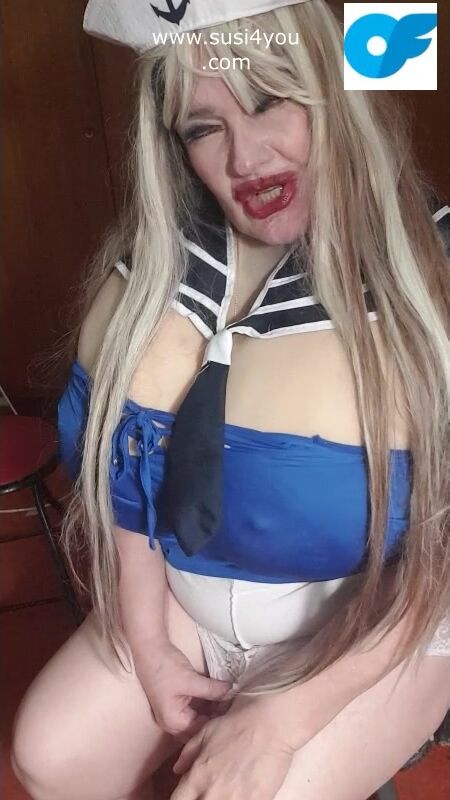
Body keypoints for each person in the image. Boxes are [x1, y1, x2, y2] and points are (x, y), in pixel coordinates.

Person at [11, 1, 449, 799]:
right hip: (192, 602)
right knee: (50, 753)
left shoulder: (435, 280)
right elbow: (127, 474)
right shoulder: (155, 272)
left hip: (386, 630)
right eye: (203, 128)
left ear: (335, 91)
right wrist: (149, 643)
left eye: (271, 99)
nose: (246, 157)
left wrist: (283, 721)